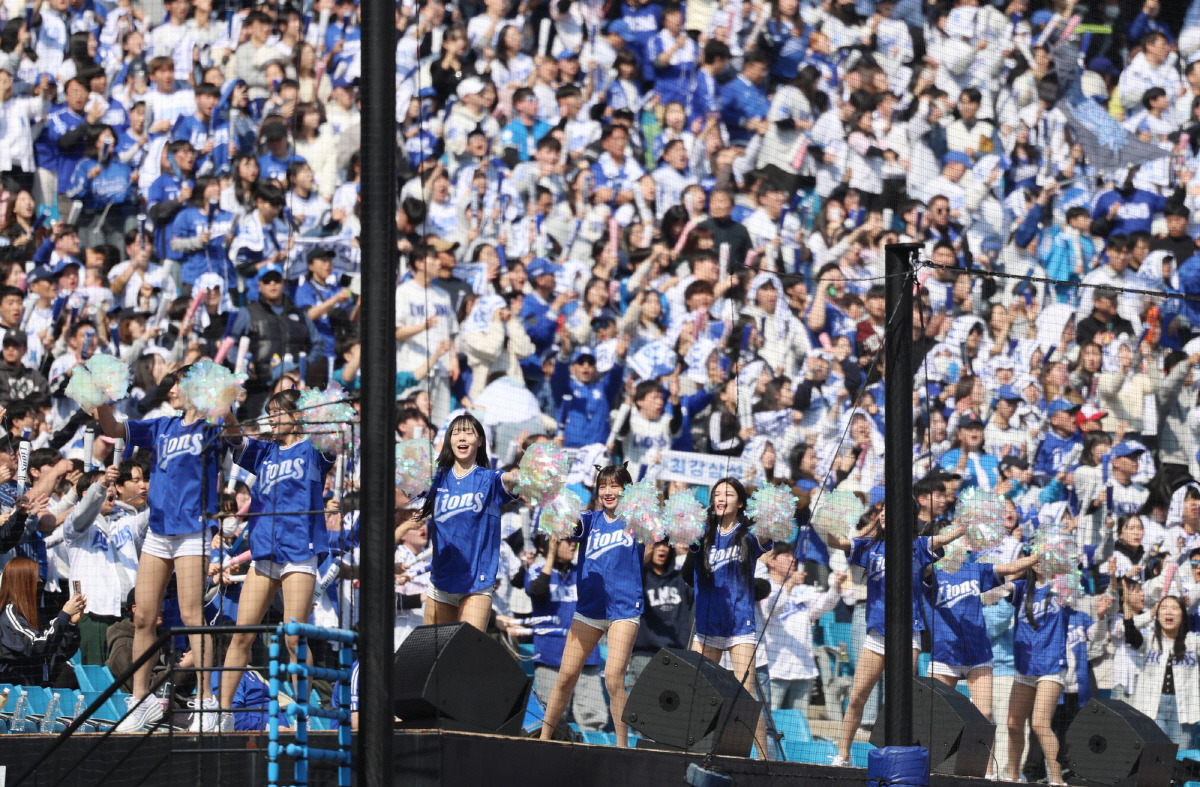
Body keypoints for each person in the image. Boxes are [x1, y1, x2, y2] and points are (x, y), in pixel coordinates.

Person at [94, 366, 243, 732]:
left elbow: (236, 436)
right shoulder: (161, 426)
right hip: (159, 532)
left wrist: (221, 402)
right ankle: (140, 701)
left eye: (178, 383)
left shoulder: (210, 427)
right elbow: (112, 429)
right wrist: (97, 396)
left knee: (192, 616)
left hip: (193, 530)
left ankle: (210, 705)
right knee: (144, 616)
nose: (171, 389)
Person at [218, 388, 335, 732]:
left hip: (300, 551)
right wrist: (226, 412)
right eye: (268, 412)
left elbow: (333, 440)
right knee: (242, 636)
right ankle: (222, 715)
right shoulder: (265, 451)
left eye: (278, 412)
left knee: (293, 636)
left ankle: (301, 715)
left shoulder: (314, 450)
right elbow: (234, 437)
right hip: (266, 552)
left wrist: (320, 409)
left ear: (298, 416)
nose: (271, 418)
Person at [825, 510, 965, 765]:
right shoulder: (870, 545)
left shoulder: (919, 546)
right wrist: (828, 520)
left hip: (907, 634)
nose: (885, 515)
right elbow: (835, 542)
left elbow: (949, 536)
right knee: (857, 697)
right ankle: (843, 755)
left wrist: (970, 519)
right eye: (881, 512)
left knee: (901, 700)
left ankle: (898, 757)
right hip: (877, 633)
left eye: (891, 511)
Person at [540, 464, 644, 746]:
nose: (608, 492)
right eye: (603, 486)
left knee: (613, 679)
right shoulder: (589, 520)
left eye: (615, 486)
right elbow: (568, 525)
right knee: (565, 677)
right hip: (589, 611)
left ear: (627, 489)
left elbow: (665, 534)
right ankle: (543, 738)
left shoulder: (638, 520)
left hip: (624, 610)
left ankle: (622, 746)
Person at [682, 477, 773, 757]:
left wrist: (772, 512)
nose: (721, 498)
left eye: (728, 494)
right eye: (717, 494)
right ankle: (694, 752)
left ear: (741, 502)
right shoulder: (702, 533)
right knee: (697, 692)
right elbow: (688, 572)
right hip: (708, 626)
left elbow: (769, 535)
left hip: (739, 625)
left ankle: (763, 759)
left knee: (746, 694)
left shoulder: (747, 534)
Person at [407, 413, 523, 631]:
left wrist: (527, 477)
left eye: (468, 432)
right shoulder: (436, 478)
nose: (462, 437)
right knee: (434, 656)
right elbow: (402, 491)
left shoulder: (488, 479)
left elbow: (509, 479)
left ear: (479, 441)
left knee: (465, 653)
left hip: (476, 584)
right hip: (441, 581)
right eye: (456, 432)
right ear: (449, 439)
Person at [525, 534, 606, 734]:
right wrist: (550, 555)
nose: (572, 545)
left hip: (586, 655)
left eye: (574, 541)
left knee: (594, 718)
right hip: (550, 656)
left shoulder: (583, 572)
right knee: (551, 720)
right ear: (550, 542)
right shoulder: (537, 569)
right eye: (566, 540)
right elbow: (538, 591)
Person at [1005, 563, 1074, 783]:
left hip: (1051, 663)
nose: (1040, 563)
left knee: (1039, 723)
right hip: (1025, 665)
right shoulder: (1022, 587)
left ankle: (1057, 780)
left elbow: (1074, 586)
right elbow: (995, 592)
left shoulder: (1062, 586)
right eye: (1036, 558)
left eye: (1045, 557)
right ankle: (1014, 777)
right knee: (1013, 724)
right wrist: (1019, 569)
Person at [0, 556, 84, 687]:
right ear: (24, 582)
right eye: (36, 578)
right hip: (14, 691)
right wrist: (64, 615)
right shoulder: (9, 614)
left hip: (38, 687)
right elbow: (36, 646)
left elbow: (58, 653)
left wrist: (70, 624)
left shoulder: (35, 616)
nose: (40, 582)